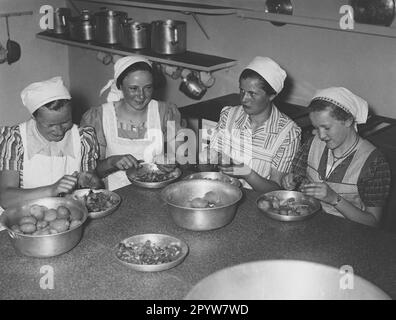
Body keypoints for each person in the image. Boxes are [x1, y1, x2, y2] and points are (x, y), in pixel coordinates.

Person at [281, 87, 391, 227]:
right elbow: (297, 177)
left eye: (326, 128)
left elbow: (373, 222)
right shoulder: (312, 144)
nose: (321, 135)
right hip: (308, 225)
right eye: (316, 127)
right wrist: (291, 180)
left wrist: (334, 199)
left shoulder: (374, 162)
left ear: (348, 121)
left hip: (349, 234)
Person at [80, 55, 184, 190]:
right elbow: (90, 174)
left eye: (148, 88)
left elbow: (183, 158)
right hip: (116, 196)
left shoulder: (166, 112)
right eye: (133, 88)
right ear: (120, 86)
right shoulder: (99, 117)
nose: (141, 96)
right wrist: (112, 162)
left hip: (158, 191)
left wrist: (171, 161)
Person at [200, 56, 301, 192]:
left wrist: (248, 174)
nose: (244, 99)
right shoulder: (229, 115)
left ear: (271, 96)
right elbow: (209, 169)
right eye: (242, 90)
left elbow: (276, 189)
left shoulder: (288, 133)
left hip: (257, 204)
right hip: (221, 194)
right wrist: (205, 161)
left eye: (252, 94)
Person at [0, 76, 102, 210]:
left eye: (66, 122)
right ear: (34, 118)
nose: (59, 131)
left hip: (69, 213)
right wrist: (51, 190)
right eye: (50, 125)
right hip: (23, 214)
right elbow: (6, 198)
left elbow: (88, 190)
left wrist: (91, 182)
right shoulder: (16, 139)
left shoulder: (84, 138)